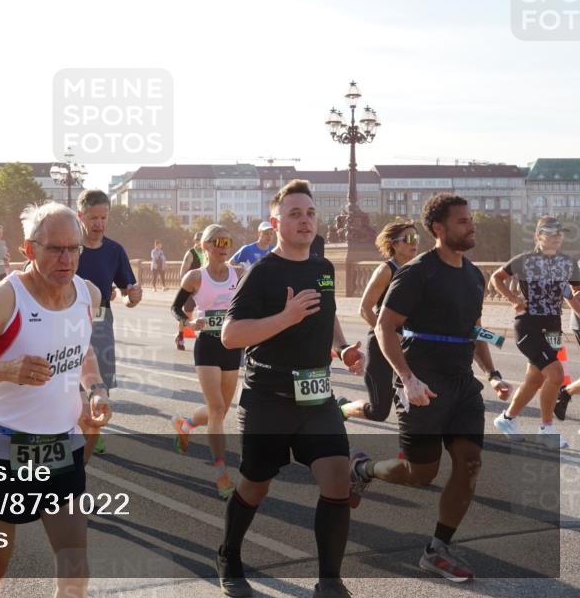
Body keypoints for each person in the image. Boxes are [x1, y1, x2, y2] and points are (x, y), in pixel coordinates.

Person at [0, 201, 111, 598]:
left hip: (61, 446)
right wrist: (5, 369)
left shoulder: (89, 294)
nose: (66, 258)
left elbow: (84, 351)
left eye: (74, 248)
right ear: (29, 249)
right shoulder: (7, 298)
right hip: (3, 447)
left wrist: (96, 390)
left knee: (75, 570)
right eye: (55, 248)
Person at [350, 193, 511, 583]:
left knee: (470, 463)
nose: (471, 226)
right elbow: (384, 327)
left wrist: (492, 374)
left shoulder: (473, 275)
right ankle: (363, 468)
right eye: (462, 221)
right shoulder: (417, 272)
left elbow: (473, 330)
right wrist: (407, 378)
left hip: (462, 385)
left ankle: (437, 549)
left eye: (470, 219)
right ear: (439, 229)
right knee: (420, 472)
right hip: (422, 382)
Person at [216, 179, 364, 598]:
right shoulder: (262, 273)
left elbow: (327, 315)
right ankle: (229, 554)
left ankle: (330, 581)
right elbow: (230, 336)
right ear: (276, 222)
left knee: (337, 481)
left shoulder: (323, 267)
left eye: (310, 213)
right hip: (269, 399)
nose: (304, 220)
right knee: (254, 485)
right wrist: (286, 316)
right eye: (295, 214)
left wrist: (342, 348)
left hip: (317, 397)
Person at [169, 225, 245, 498]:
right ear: (205, 246)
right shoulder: (195, 277)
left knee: (221, 410)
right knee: (216, 409)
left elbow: (251, 302)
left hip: (231, 345)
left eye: (227, 240)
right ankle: (221, 473)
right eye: (217, 241)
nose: (224, 246)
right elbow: (176, 307)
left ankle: (186, 425)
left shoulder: (239, 273)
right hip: (207, 346)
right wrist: (191, 321)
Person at [491, 216, 580, 448]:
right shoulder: (525, 261)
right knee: (556, 375)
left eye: (560, 232)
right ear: (538, 235)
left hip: (553, 328)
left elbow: (575, 293)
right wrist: (513, 300)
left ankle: (507, 419)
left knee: (535, 378)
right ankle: (546, 429)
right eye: (551, 232)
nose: (557, 236)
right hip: (529, 326)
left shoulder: (567, 263)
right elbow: (496, 278)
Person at [76, 189, 141, 455]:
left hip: (101, 322)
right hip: (67, 320)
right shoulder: (69, 247)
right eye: (93, 218)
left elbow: (128, 295)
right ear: (81, 216)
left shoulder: (115, 250)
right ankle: (77, 425)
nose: (99, 224)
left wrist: (133, 297)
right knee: (71, 377)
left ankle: (95, 428)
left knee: (99, 380)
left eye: (104, 218)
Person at [338, 220, 419, 421]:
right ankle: (343, 408)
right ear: (394, 244)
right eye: (408, 238)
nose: (414, 242)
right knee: (379, 412)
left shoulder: (419, 270)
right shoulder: (386, 270)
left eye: (416, 238)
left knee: (416, 402)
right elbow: (364, 309)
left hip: (409, 346)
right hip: (381, 346)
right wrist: (388, 335)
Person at [175, 231, 204, 350]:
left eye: (200, 240)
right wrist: (185, 288)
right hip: (191, 288)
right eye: (197, 240)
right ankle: (180, 336)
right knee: (187, 313)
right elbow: (183, 271)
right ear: (194, 241)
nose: (198, 243)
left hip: (203, 287)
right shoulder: (191, 253)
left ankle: (206, 337)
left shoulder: (208, 253)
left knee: (207, 311)